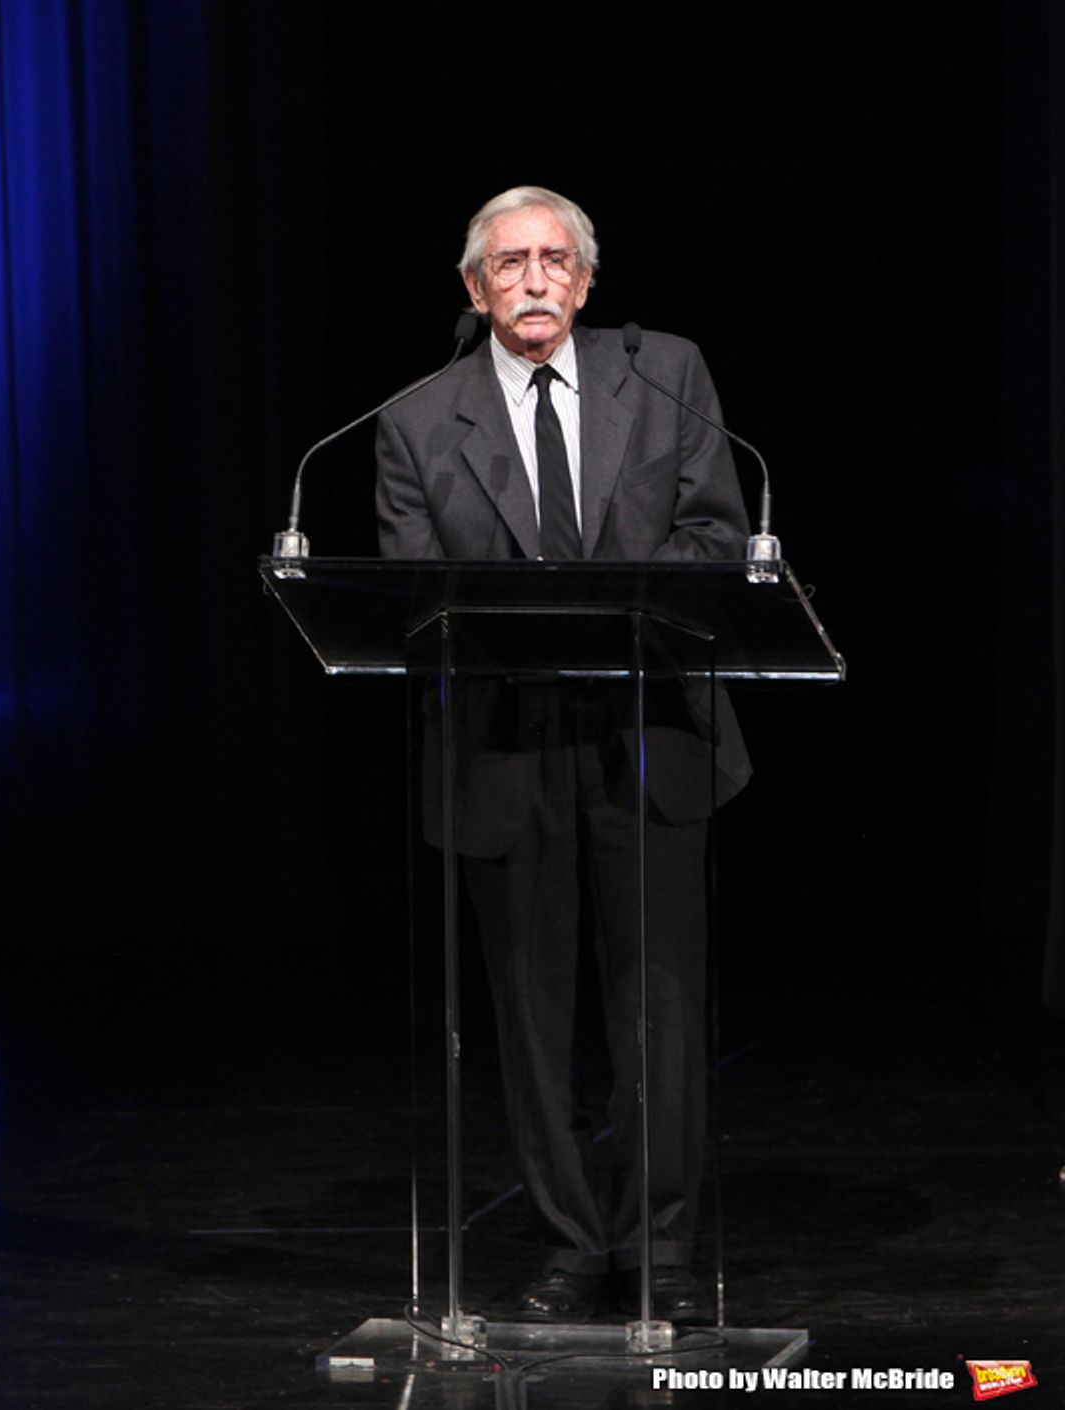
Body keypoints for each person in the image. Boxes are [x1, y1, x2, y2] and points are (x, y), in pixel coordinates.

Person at [375, 186, 751, 1323]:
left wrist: (601, 606)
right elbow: (413, 592)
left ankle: (662, 1246)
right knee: (532, 1021)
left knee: (659, 1011)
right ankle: (569, 1244)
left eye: (553, 261)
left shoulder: (666, 374)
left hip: (647, 729)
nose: (533, 280)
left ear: (585, 282)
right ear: (473, 287)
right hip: (503, 743)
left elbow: (716, 537)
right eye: (508, 263)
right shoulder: (413, 420)